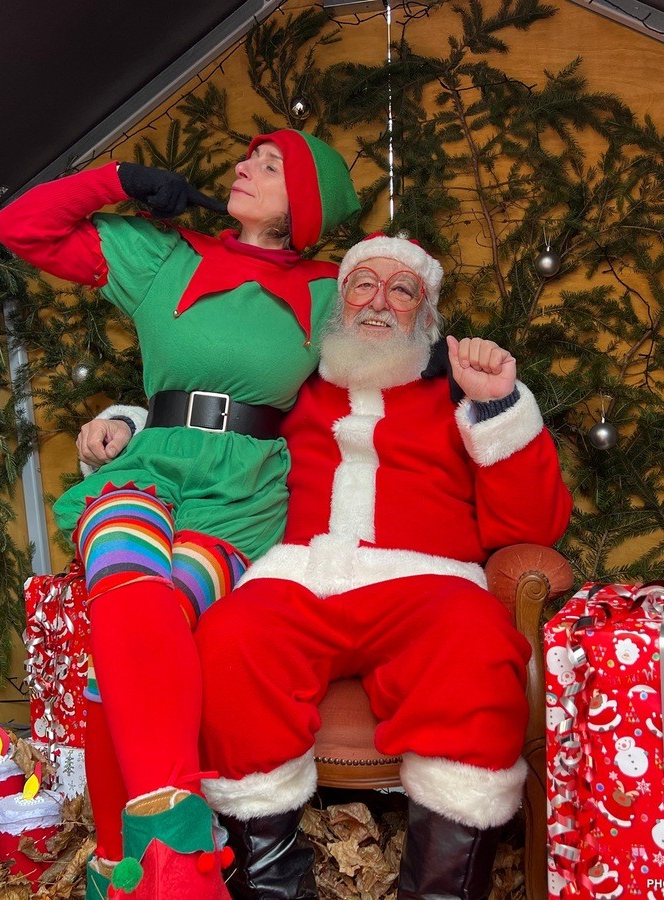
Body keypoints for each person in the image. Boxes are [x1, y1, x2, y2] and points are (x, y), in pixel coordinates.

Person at [0, 131, 359, 900]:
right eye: (248, 157)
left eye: (270, 165)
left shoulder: (332, 294)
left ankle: (120, 870)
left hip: (241, 498)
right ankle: (181, 855)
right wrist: (118, 179)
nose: (244, 167)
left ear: (307, 202)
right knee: (129, 587)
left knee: (124, 659)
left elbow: (395, 368)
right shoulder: (166, 257)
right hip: (147, 467)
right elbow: (20, 226)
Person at [194, 233, 573, 899]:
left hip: (429, 585)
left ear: (425, 316)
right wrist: (125, 428)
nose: (378, 301)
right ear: (339, 303)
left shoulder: (460, 399)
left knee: (477, 645)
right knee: (230, 639)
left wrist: (499, 406)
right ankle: (270, 887)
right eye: (363, 284)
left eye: (402, 290)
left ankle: (439, 891)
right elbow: (201, 434)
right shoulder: (288, 386)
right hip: (298, 578)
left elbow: (530, 529)